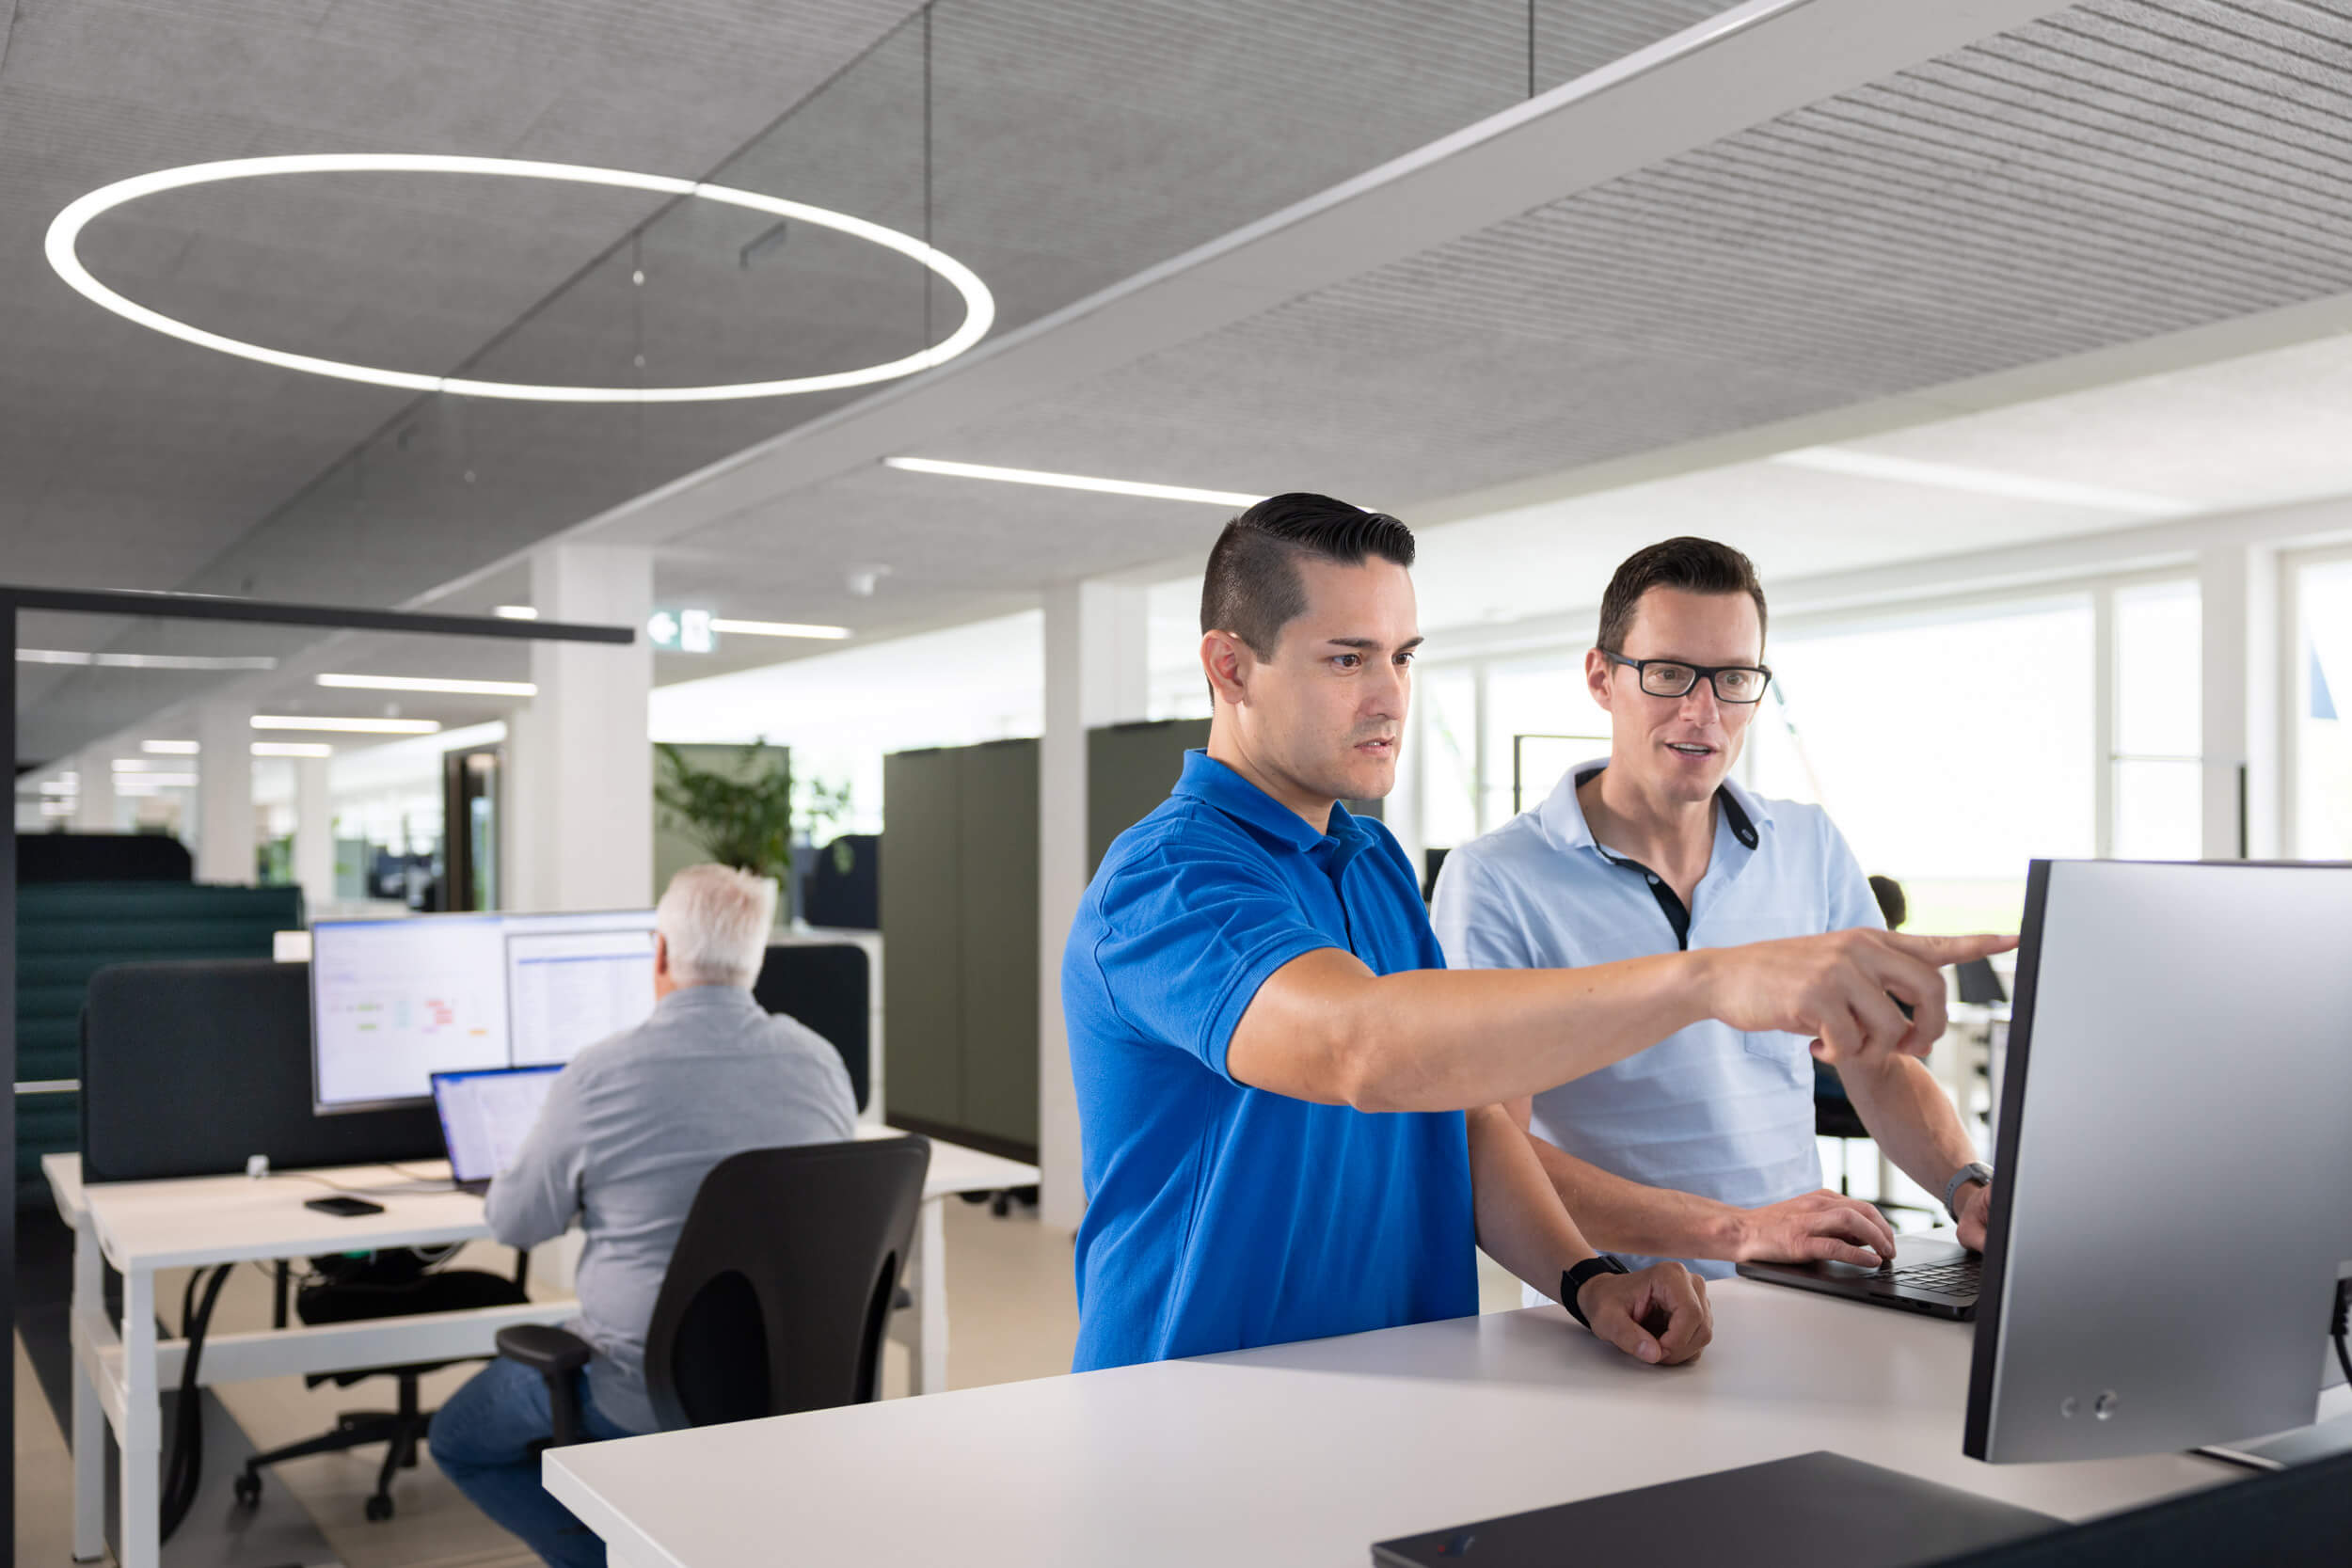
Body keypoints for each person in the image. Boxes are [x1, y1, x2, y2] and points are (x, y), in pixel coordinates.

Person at [1064, 496, 2010, 1375]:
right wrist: (1707, 980)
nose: (1390, 697)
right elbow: (1361, 1047)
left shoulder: (1371, 859)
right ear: (1230, 667)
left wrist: (1585, 1280)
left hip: (1406, 1374)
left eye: (1402, 657)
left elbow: (1466, 1117)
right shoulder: (1170, 879)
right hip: (1205, 1395)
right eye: (1348, 660)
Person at [1431, 538, 1995, 1290]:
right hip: (1618, 1309)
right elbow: (1491, 1150)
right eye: (1668, 673)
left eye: (1733, 678)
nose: (1703, 712)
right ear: (1602, 677)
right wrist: (1739, 1230)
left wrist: (1966, 1185)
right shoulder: (1496, 878)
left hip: (1803, 1288)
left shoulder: (1808, 844)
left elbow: (1878, 1065)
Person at [429, 864, 856, 1568]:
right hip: (790, 1386)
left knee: (458, 1440)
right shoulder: (820, 1064)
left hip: (639, 1395)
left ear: (659, 953)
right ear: (755, 958)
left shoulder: (602, 1073)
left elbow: (514, 1223)